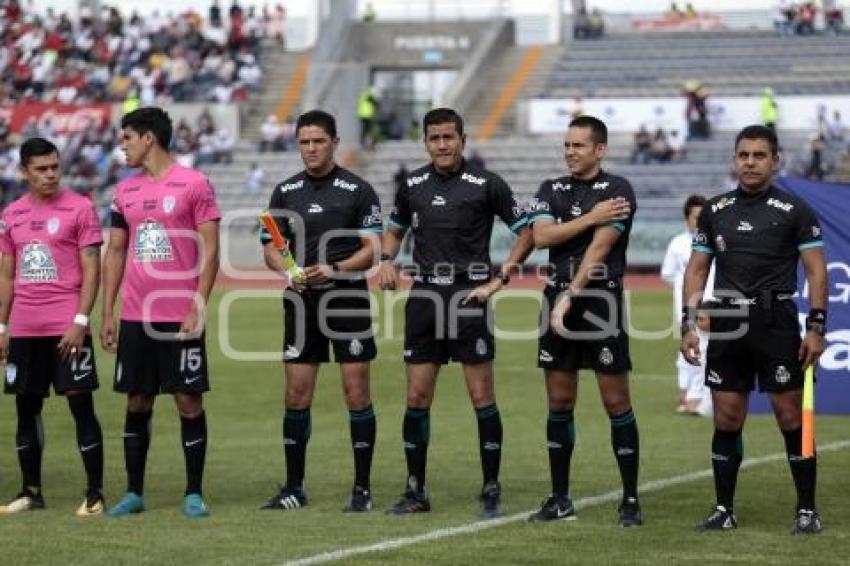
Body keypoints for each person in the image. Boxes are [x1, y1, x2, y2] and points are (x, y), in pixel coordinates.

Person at [378, 108, 534, 518]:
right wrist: (386, 258)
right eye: (435, 138)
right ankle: (415, 490)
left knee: (481, 396)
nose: (442, 145)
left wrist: (499, 280)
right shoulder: (411, 184)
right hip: (425, 295)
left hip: (470, 296)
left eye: (449, 137)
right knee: (416, 397)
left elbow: (526, 233)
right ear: (426, 141)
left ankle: (491, 486)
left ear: (462, 140)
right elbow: (394, 228)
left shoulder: (487, 184)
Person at [681, 125, 827, 534]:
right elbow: (696, 270)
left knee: (789, 417)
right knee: (726, 418)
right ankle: (723, 510)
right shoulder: (714, 209)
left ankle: (807, 510)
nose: (749, 162)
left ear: (775, 160)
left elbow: (816, 273)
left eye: (759, 155)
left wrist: (816, 326)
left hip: (774, 322)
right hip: (727, 323)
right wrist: (688, 323)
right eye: (743, 155)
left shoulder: (795, 210)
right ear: (734, 159)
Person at [258, 110, 383, 513]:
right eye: (303, 142)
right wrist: (289, 272)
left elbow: (371, 250)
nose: (310, 149)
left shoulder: (358, 190)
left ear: (334, 142)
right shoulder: (284, 192)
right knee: (296, 396)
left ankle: (362, 489)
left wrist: (334, 269)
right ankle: (294, 487)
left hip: (347, 300)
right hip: (301, 303)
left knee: (356, 393)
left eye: (318, 141)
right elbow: (272, 246)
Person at [100, 107, 221, 518]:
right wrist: (107, 313)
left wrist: (198, 304)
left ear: (148, 138)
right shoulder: (124, 192)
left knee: (188, 400)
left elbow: (210, 249)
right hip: (136, 316)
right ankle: (134, 492)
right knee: (137, 401)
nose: (123, 146)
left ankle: (194, 492)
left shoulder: (194, 183)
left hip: (179, 314)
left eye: (127, 138)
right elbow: (115, 251)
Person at [526, 115, 642, 526]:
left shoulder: (618, 189)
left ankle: (630, 499)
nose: (570, 152)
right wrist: (590, 217)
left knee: (616, 402)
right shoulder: (550, 189)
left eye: (579, 145)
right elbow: (541, 238)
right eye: (567, 145)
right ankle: (560, 498)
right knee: (559, 402)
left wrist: (568, 298)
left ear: (600, 150)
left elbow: (598, 252)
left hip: (598, 302)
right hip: (556, 296)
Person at [0, 138, 104, 516]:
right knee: (26, 408)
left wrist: (80, 321)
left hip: (66, 325)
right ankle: (30, 492)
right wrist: (1, 326)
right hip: (26, 328)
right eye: (41, 169)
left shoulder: (80, 207)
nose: (50, 174)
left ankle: (94, 494)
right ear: (24, 172)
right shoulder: (11, 214)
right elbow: (7, 274)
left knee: (80, 404)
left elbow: (92, 268)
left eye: (54, 167)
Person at [661, 195, 712, 416]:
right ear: (686, 219)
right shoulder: (678, 244)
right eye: (695, 217)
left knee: (705, 349)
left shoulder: (714, 243)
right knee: (688, 348)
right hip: (684, 307)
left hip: (709, 305)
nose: (699, 222)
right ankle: (687, 393)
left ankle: (696, 397)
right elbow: (668, 274)